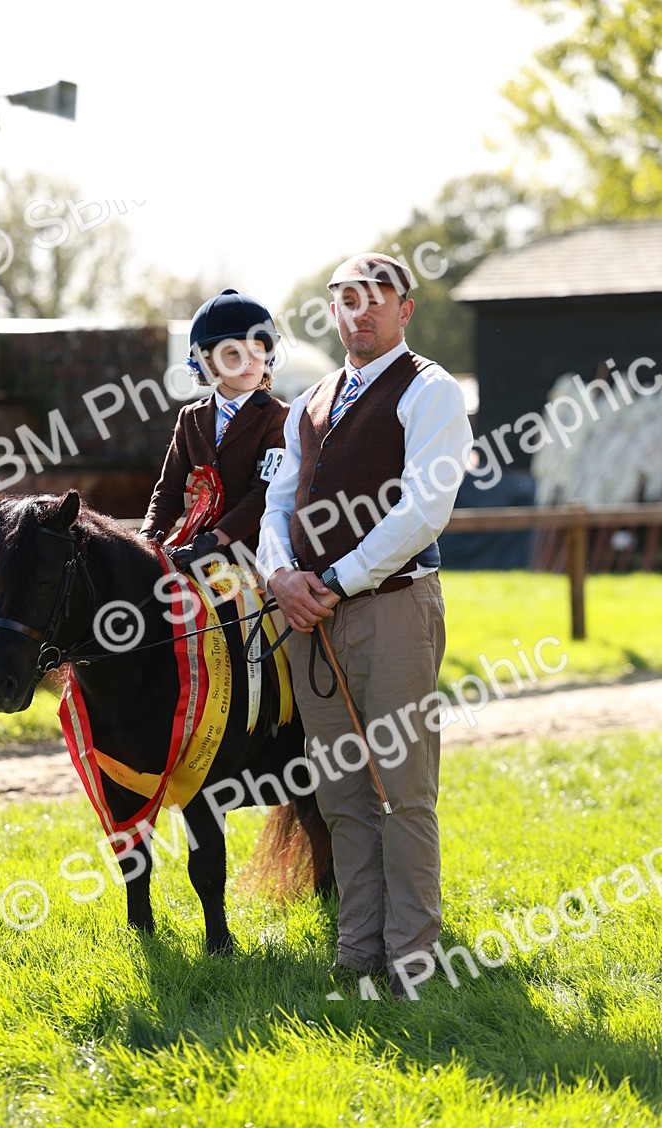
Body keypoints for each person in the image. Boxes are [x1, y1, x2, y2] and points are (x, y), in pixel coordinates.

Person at [257, 253, 473, 998]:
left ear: (405, 309)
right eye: (347, 298)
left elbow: (423, 510)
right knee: (342, 792)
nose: (361, 311)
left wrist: (338, 582)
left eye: (377, 297)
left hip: (393, 610)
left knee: (404, 789)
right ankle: (358, 953)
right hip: (309, 617)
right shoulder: (308, 400)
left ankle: (412, 961)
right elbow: (276, 506)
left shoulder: (430, 391)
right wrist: (282, 577)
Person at [141, 288, 287, 569]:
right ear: (208, 363)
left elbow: (263, 494)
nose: (248, 361)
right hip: (196, 554)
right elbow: (169, 490)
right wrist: (146, 542)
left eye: (257, 351)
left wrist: (211, 541)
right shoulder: (190, 418)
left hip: (254, 559)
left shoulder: (279, 417)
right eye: (233, 353)